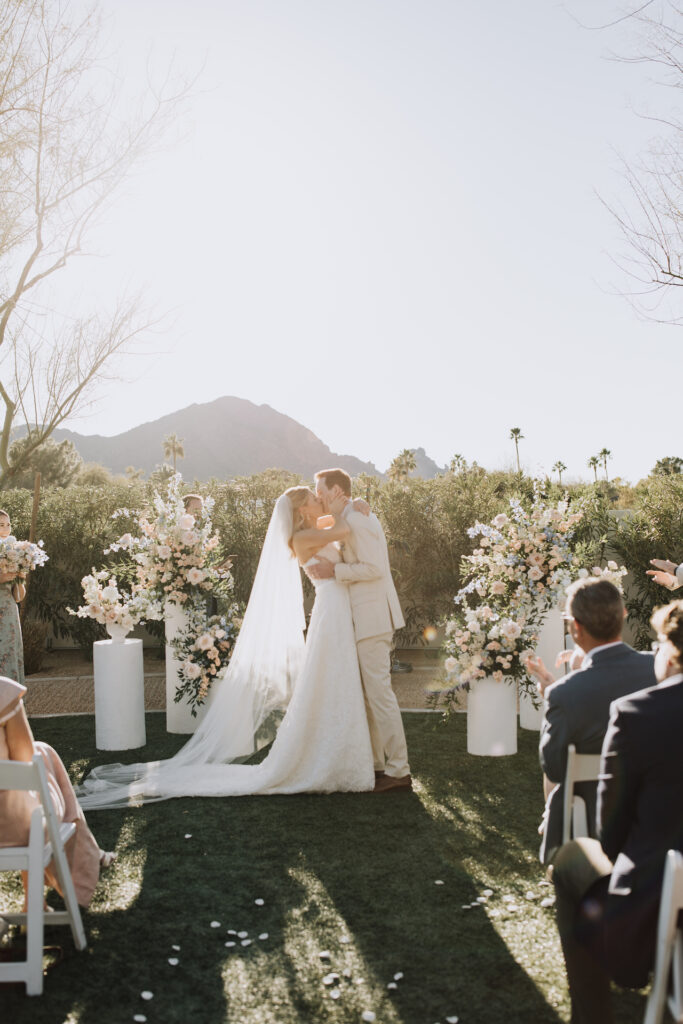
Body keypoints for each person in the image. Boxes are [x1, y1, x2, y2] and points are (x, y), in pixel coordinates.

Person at [77, 486, 376, 806]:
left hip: (338, 610)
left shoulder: (314, 528)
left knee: (333, 682)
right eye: (314, 500)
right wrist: (346, 509)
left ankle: (338, 753)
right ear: (302, 510)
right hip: (330, 611)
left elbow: (341, 524)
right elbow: (343, 528)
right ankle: (329, 759)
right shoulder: (301, 540)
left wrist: (355, 504)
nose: (320, 501)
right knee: (328, 680)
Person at [551, 599, 683, 1024]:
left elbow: (611, 837)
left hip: (659, 912)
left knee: (573, 855)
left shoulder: (638, 713)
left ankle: (592, 1017)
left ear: (672, 651)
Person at [537, 577, 655, 864]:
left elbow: (554, 768)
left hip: (593, 819)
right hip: (659, 807)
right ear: (623, 615)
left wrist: (554, 697)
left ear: (575, 628)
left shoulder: (564, 694)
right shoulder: (660, 668)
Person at [309, 468, 410, 792]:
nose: (319, 496)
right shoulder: (350, 515)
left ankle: (399, 770)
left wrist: (334, 569)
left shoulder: (357, 519)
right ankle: (379, 765)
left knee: (380, 695)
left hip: (373, 618)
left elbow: (375, 568)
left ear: (337, 490)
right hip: (362, 619)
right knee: (370, 695)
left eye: (321, 491)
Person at [0, 677, 113, 912]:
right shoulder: (3, 692)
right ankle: (85, 863)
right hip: (14, 828)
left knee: (42, 760)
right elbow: (25, 759)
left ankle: (91, 855)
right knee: (42, 765)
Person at [0, 510, 26, 685]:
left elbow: (18, 597)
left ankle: (12, 703)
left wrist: (20, 579)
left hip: (8, 611)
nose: (6, 528)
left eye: (8, 524)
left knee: (9, 651)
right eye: (1, 525)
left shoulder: (15, 552)